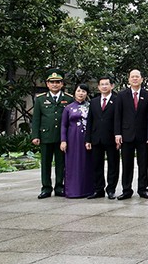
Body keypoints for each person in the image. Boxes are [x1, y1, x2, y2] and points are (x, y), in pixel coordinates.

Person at [31, 68, 74, 199]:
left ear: (62, 84)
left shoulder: (68, 99)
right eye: (52, 82)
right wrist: (35, 136)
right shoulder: (40, 99)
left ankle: (60, 187)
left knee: (61, 163)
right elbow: (36, 119)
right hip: (46, 136)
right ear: (47, 84)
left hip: (62, 137)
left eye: (58, 82)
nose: (55, 84)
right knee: (46, 163)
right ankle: (46, 188)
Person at [114, 69, 148, 200]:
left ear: (142, 79)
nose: (135, 79)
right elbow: (117, 115)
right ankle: (126, 189)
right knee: (127, 164)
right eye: (132, 77)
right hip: (126, 134)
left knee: (143, 163)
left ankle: (143, 189)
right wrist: (117, 133)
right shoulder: (121, 95)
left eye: (137, 77)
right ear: (129, 79)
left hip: (143, 135)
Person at [85, 76, 120, 199]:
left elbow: (118, 120)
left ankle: (111, 189)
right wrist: (88, 139)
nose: (104, 86)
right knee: (96, 165)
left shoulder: (117, 101)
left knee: (113, 165)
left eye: (107, 84)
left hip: (111, 138)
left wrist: (118, 135)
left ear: (112, 86)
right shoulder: (93, 102)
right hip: (96, 138)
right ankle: (98, 189)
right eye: (102, 84)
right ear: (98, 87)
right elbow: (90, 121)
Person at [60, 83, 94, 198]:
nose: (81, 93)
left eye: (84, 91)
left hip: (87, 139)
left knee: (86, 163)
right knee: (72, 165)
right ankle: (72, 191)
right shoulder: (68, 108)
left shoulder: (91, 106)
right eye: (79, 91)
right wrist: (63, 140)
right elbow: (63, 126)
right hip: (72, 139)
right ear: (74, 92)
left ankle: (88, 190)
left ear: (87, 94)